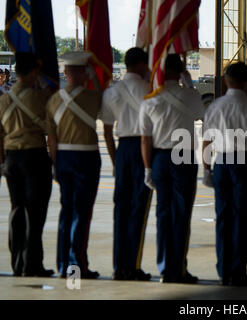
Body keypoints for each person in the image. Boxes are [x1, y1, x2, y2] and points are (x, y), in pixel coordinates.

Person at [202, 62, 247, 286]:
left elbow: (206, 141)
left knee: (224, 217)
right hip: (245, 164)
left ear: (226, 81)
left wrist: (206, 169)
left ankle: (224, 271)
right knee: (242, 219)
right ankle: (238, 270)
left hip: (221, 162)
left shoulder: (215, 106)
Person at [140, 54, 204, 283]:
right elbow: (202, 115)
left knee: (163, 214)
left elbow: (145, 140)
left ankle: (165, 268)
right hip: (183, 157)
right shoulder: (190, 96)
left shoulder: (150, 100)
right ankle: (179, 269)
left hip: (158, 159)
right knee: (182, 214)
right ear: (181, 71)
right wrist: (189, 85)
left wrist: (147, 169)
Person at [46, 51, 103, 279]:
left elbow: (51, 139)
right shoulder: (92, 96)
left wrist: (54, 164)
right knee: (82, 213)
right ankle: (77, 266)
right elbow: (102, 96)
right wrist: (94, 77)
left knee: (66, 211)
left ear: (65, 72)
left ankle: (63, 265)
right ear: (83, 72)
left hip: (63, 158)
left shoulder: (53, 100)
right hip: (86, 158)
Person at [100, 48, 152, 281]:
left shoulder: (112, 92)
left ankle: (119, 265)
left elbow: (107, 131)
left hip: (122, 150)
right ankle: (133, 265)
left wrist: (114, 159)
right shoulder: (149, 89)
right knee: (138, 208)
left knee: (120, 209)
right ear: (142, 64)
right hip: (143, 148)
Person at [0, 52, 53, 277]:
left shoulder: (2, 99)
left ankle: (17, 263)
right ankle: (32, 264)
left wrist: (3, 160)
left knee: (17, 209)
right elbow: (51, 129)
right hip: (34, 156)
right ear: (33, 72)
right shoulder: (38, 97)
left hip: (11, 157)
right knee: (36, 212)